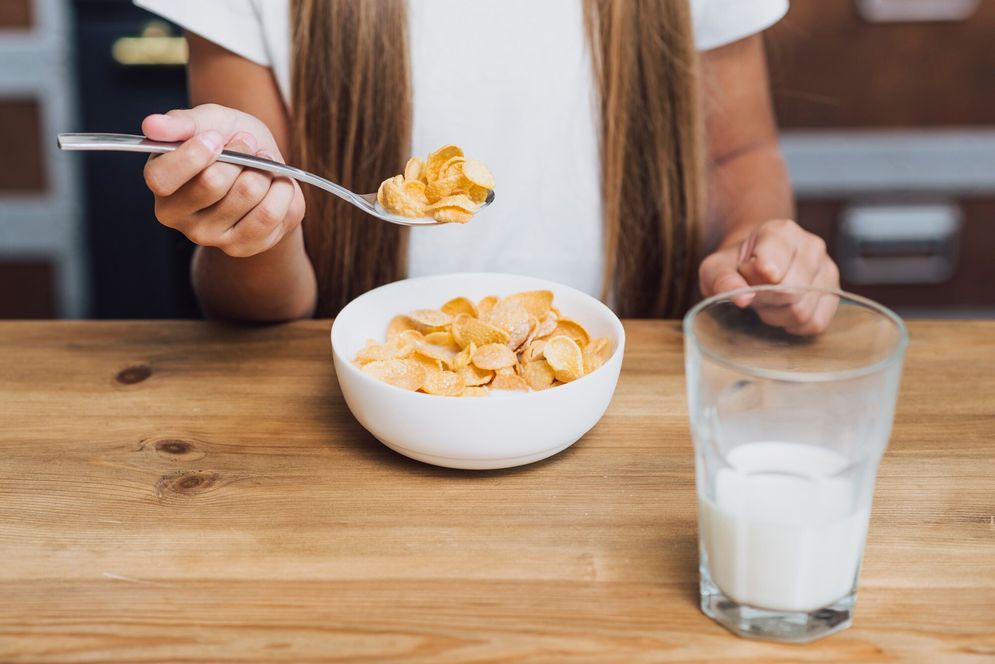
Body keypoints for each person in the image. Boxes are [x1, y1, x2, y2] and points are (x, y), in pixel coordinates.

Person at [134, 0, 839, 332]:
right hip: (348, 423)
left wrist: (756, 250)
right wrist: (253, 223)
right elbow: (245, 303)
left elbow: (738, 154)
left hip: (625, 403)